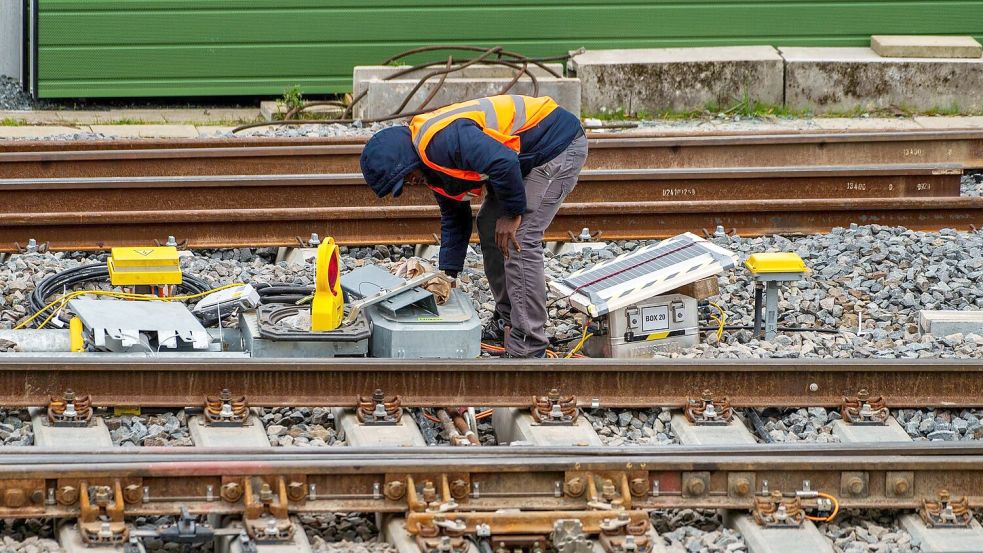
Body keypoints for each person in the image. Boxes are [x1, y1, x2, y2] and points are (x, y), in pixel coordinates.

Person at [360, 95, 587, 358]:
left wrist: (513, 213)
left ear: (406, 160)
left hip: (556, 144)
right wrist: (448, 275)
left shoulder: (440, 142)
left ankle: (529, 343)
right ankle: (508, 320)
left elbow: (503, 161)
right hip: (525, 156)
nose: (411, 183)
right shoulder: (429, 165)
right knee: (490, 223)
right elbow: (455, 218)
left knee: (519, 237)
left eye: (406, 178)